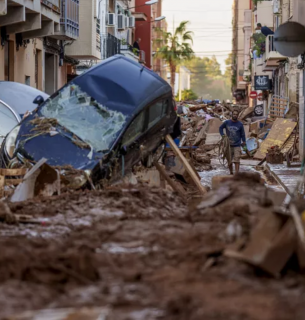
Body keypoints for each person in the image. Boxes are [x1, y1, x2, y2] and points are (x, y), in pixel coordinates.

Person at [219, 109, 246, 175]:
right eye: (234, 114)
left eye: (236, 114)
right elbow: (220, 128)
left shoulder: (240, 124)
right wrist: (222, 135)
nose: (235, 115)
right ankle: (231, 172)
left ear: (238, 116)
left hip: (237, 145)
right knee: (229, 160)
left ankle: (237, 174)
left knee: (237, 160)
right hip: (229, 145)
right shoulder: (227, 122)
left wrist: (244, 142)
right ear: (231, 115)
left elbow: (243, 134)